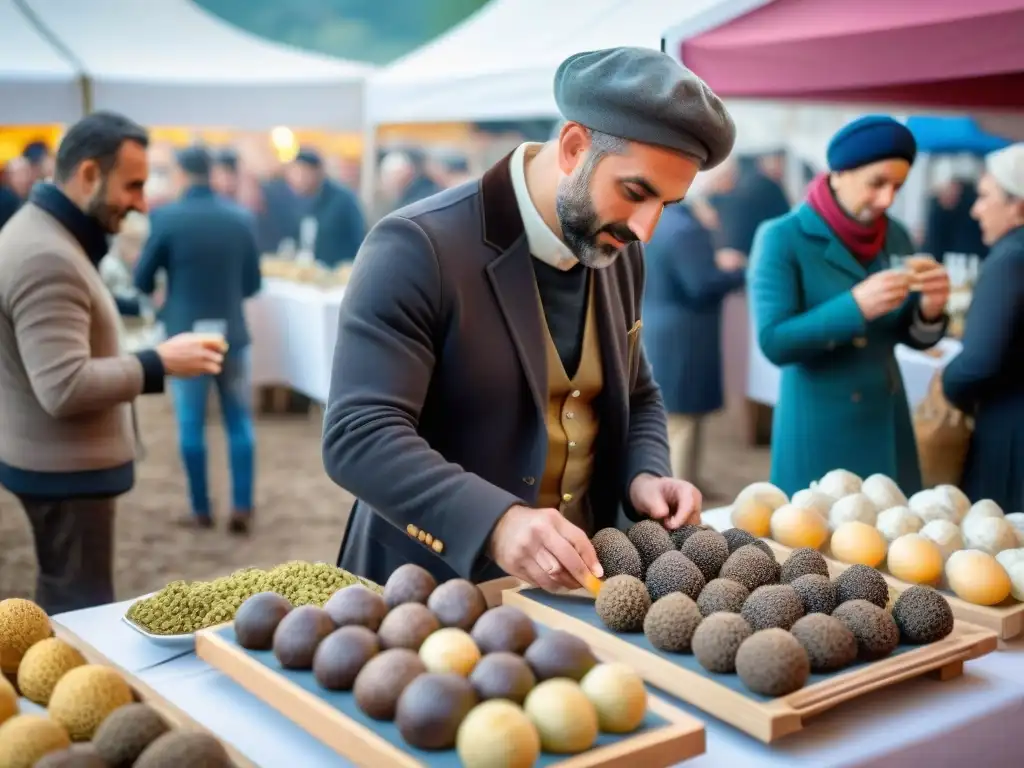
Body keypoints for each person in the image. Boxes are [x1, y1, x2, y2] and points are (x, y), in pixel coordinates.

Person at [323, 47, 735, 590]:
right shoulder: (417, 246)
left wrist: (647, 473)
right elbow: (358, 435)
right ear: (572, 147)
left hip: (583, 590)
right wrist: (494, 522)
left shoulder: (622, 247)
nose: (646, 229)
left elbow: (637, 393)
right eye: (635, 192)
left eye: (667, 204)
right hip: (430, 591)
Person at [0, 112, 224, 614]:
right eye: (133, 185)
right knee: (78, 610)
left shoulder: (46, 235)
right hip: (63, 470)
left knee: (66, 597)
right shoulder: (45, 254)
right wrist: (158, 362)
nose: (142, 203)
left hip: (57, 464)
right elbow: (63, 386)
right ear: (87, 174)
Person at [749, 115, 951, 496]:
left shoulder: (897, 235)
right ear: (838, 173)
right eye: (876, 183)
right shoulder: (782, 236)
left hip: (886, 416)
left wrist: (930, 311)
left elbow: (904, 331)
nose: (887, 199)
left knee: (894, 544)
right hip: (819, 424)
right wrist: (855, 307)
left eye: (897, 186)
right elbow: (774, 341)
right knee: (813, 547)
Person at [134, 146, 262, 534]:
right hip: (231, 336)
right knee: (238, 420)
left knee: (191, 423)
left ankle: (200, 508)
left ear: (180, 173)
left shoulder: (166, 217)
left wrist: (165, 296)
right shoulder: (240, 217)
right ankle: (241, 505)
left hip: (185, 337)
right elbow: (253, 283)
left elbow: (142, 278)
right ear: (211, 172)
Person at [643, 172, 746, 496]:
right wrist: (738, 271)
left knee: (680, 417)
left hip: (661, 328)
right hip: (683, 336)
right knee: (682, 423)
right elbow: (700, 285)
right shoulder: (685, 229)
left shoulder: (658, 221)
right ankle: (678, 493)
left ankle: (690, 483)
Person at [942, 143, 1024, 511]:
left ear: (1018, 206)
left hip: (1010, 437)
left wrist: (948, 384)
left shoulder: (1011, 258)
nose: (975, 209)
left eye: (986, 196)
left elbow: (979, 362)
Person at [285, 149, 365, 266]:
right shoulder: (299, 201)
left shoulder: (343, 200)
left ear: (317, 172)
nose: (296, 180)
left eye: (301, 173)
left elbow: (359, 240)